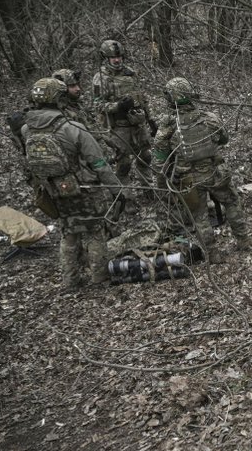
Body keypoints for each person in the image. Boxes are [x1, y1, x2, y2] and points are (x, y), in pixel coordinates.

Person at [20, 77, 125, 289]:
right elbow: (99, 163)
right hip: (83, 189)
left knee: (68, 233)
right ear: (59, 99)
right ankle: (99, 277)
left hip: (54, 191)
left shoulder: (26, 130)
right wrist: (117, 190)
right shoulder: (72, 128)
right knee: (95, 230)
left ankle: (70, 280)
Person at [152, 77, 251, 262]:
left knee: (199, 217)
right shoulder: (208, 118)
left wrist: (162, 183)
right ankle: (243, 240)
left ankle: (213, 254)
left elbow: (159, 156)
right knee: (231, 202)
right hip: (215, 173)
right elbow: (224, 139)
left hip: (188, 179)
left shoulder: (169, 125)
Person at [92, 39, 154, 187]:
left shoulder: (130, 73)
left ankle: (148, 188)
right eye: (113, 57)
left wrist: (150, 119)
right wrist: (118, 106)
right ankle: (126, 198)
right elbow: (97, 105)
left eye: (119, 57)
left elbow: (142, 97)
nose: (117, 60)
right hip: (119, 127)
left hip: (138, 123)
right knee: (124, 164)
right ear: (106, 58)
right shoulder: (101, 78)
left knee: (145, 157)